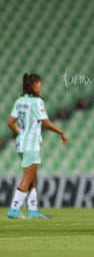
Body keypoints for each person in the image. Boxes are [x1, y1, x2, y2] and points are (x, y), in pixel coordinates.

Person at [7, 73, 68, 219]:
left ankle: (33, 209)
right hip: (31, 144)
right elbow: (46, 123)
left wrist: (21, 133)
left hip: (21, 144)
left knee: (33, 177)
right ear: (32, 85)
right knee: (28, 178)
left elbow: (10, 122)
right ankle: (14, 208)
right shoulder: (37, 102)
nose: (40, 86)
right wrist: (61, 132)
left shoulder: (19, 101)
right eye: (39, 84)